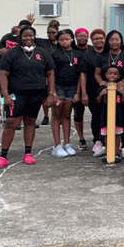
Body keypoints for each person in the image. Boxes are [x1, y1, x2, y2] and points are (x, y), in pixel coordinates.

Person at [0, 26, 55, 168]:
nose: (28, 38)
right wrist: (6, 95)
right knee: (11, 123)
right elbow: (3, 73)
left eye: (31, 35)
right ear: (20, 37)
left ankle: (28, 153)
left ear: (35, 36)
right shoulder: (11, 53)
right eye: (25, 36)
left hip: (36, 93)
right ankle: (3, 156)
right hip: (16, 94)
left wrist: (51, 94)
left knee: (30, 121)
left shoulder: (43, 53)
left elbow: (50, 73)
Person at [95, 30, 124, 160]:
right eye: (112, 39)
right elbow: (97, 73)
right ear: (108, 41)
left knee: (121, 118)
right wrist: (101, 83)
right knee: (104, 118)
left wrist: (123, 82)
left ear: (121, 40)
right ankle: (105, 146)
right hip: (106, 92)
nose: (114, 42)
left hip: (121, 91)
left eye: (117, 39)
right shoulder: (102, 56)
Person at [49, 29, 83, 158]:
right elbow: (50, 73)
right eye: (62, 39)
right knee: (56, 115)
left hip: (72, 87)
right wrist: (52, 92)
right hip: (58, 87)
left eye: (67, 39)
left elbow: (81, 74)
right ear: (58, 41)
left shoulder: (78, 54)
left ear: (72, 39)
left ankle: (67, 143)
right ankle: (57, 145)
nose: (65, 42)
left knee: (67, 115)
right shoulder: (54, 54)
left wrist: (78, 92)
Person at [79, 29, 107, 156]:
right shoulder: (87, 56)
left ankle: (109, 140)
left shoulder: (109, 54)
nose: (98, 41)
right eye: (95, 39)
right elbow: (83, 75)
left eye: (101, 38)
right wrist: (83, 93)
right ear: (91, 41)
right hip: (92, 90)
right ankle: (97, 140)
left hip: (108, 90)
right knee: (96, 116)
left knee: (108, 115)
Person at [97, 65, 124, 164]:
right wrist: (101, 94)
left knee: (117, 134)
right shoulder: (102, 87)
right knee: (106, 134)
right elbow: (97, 101)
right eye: (110, 73)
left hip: (117, 115)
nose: (112, 75)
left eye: (115, 74)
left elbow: (123, 102)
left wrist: (122, 93)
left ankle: (116, 153)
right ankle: (108, 152)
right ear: (106, 75)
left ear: (118, 76)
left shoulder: (120, 87)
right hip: (105, 115)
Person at [72, 28, 92, 150]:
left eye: (85, 36)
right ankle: (81, 138)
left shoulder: (92, 49)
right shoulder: (72, 50)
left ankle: (99, 137)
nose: (83, 38)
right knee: (78, 114)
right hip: (75, 85)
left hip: (90, 84)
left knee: (96, 113)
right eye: (80, 36)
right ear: (75, 37)